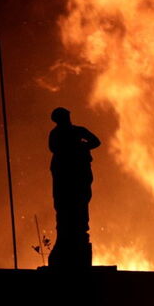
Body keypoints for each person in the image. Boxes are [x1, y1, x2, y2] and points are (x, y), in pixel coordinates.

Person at [47, 107, 100, 268]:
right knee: (64, 205)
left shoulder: (77, 131)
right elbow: (53, 148)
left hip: (77, 175)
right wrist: (78, 147)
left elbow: (96, 141)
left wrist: (83, 147)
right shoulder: (60, 134)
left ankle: (77, 235)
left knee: (79, 204)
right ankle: (66, 236)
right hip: (65, 174)